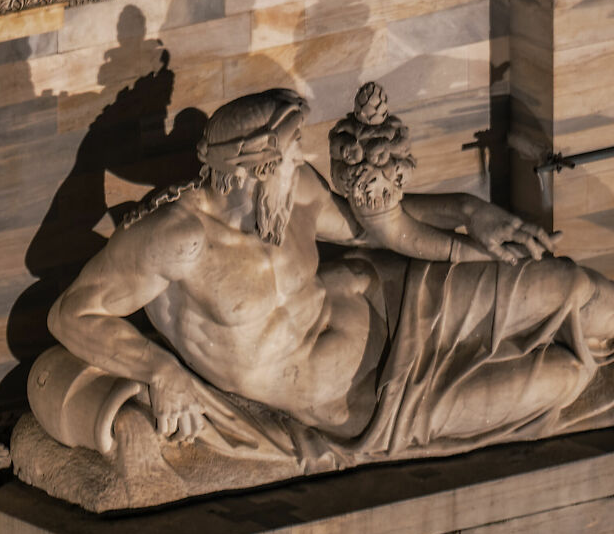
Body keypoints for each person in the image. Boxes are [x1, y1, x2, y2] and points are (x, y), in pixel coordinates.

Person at [33, 86, 614, 501]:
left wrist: (470, 213)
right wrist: (160, 369)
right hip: (371, 404)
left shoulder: (292, 192)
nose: (303, 161)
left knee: (576, 288)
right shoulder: (179, 241)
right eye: (289, 156)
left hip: (398, 298)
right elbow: (72, 315)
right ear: (255, 170)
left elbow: (376, 226)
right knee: (564, 378)